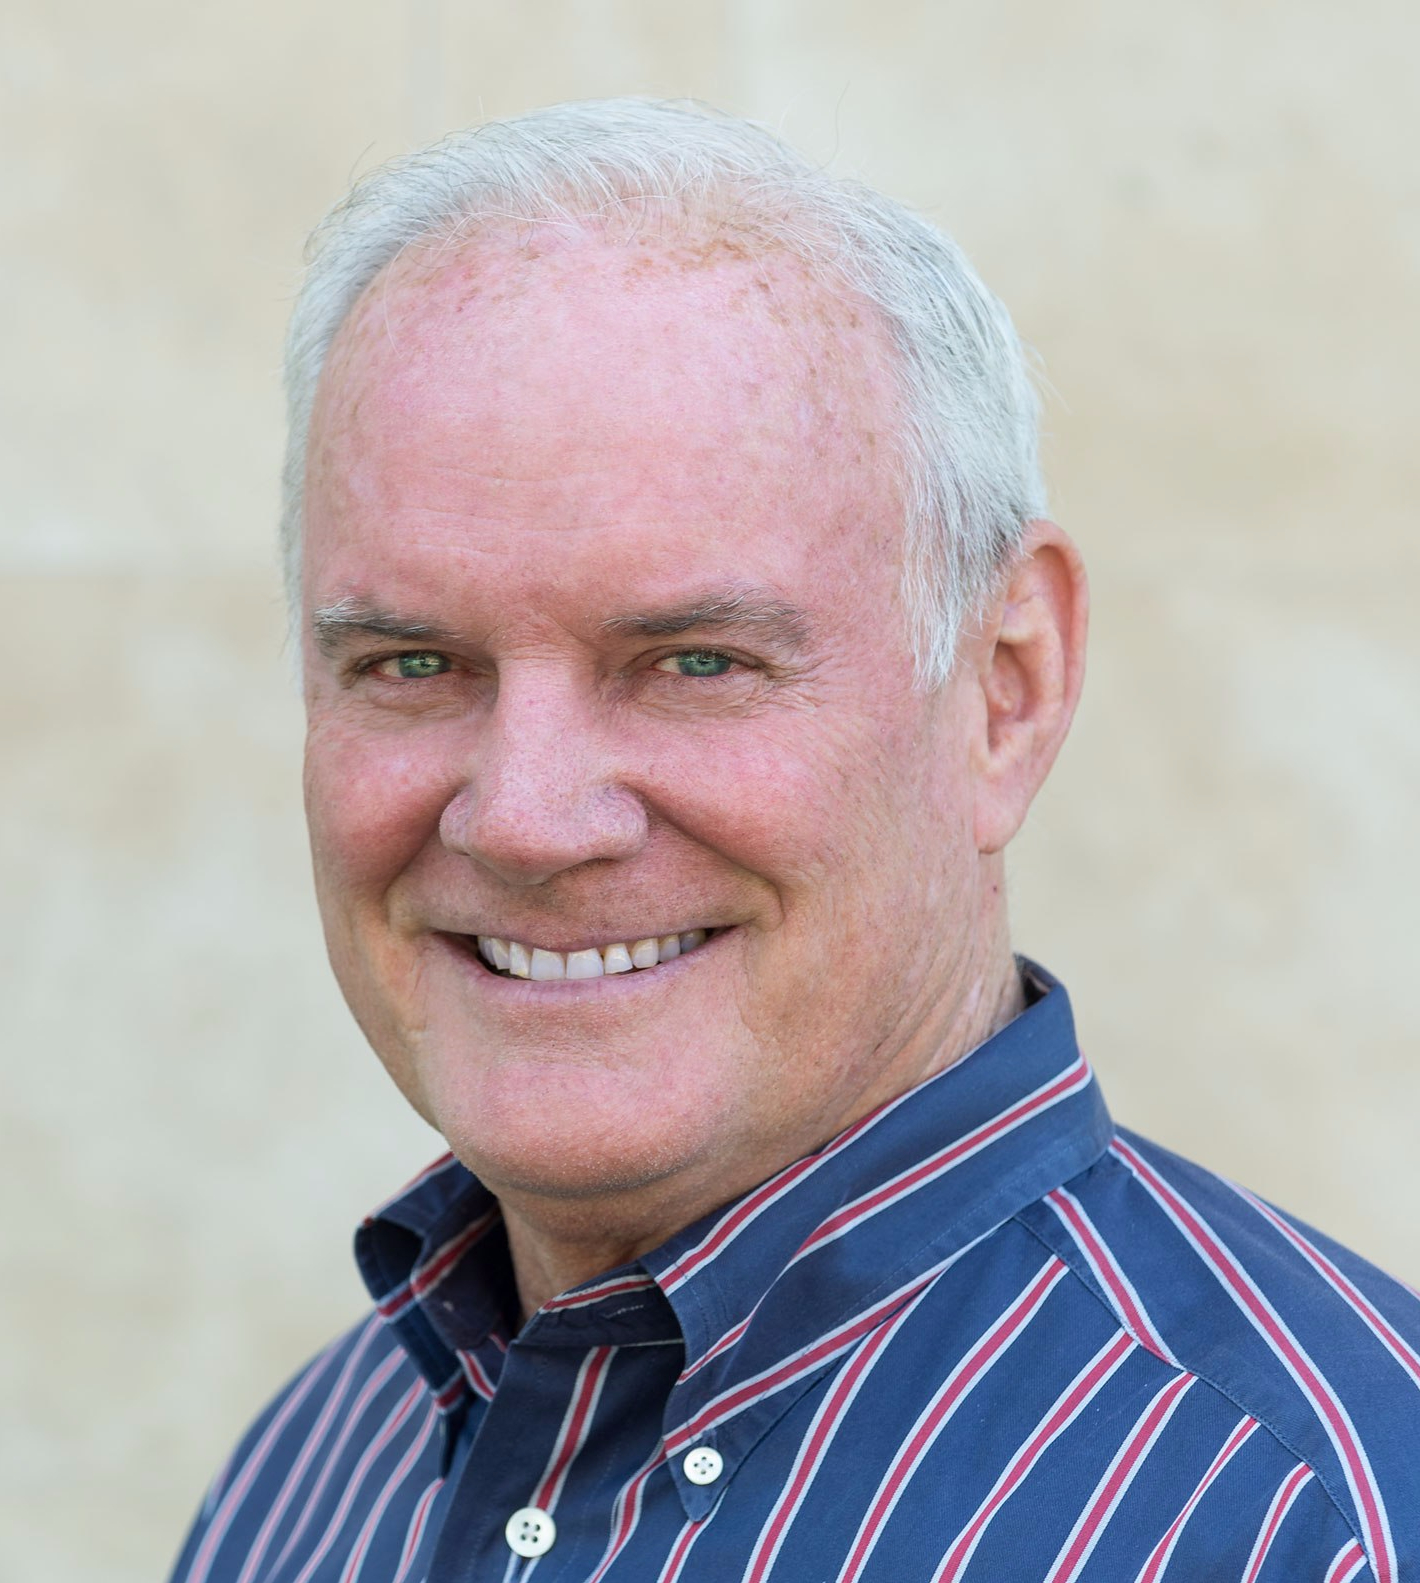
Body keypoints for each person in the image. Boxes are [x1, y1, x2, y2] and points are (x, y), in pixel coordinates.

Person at [169, 99, 1420, 1583]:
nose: (524, 817)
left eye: (694, 661)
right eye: (413, 664)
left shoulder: (1313, 1523)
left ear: (1004, 690)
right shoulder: (307, 1481)